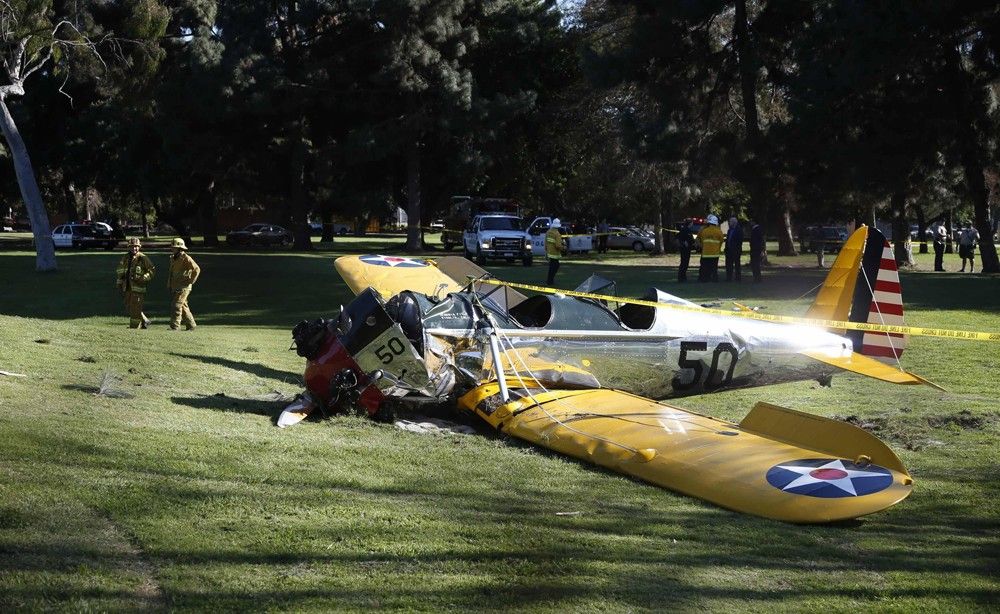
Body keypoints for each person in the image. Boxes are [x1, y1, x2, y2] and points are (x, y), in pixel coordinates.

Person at [115, 237, 155, 329]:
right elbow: (120, 270)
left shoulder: (142, 258)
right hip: (127, 287)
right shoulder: (125, 257)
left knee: (135, 308)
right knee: (129, 306)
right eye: (132, 247)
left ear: (139, 247)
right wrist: (119, 283)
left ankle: (134, 327)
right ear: (129, 247)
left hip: (138, 287)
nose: (134, 248)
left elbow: (152, 270)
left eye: (136, 247)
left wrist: (144, 278)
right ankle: (145, 321)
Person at [167, 238, 201, 330]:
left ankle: (175, 327)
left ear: (180, 248)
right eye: (172, 247)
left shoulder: (186, 258)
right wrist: (169, 285)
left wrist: (191, 281)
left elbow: (196, 269)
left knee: (176, 305)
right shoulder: (173, 258)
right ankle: (191, 325)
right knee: (183, 306)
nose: (172, 249)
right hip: (176, 286)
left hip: (183, 287)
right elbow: (171, 273)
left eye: (175, 247)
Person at [696, 214, 723, 282]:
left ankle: (704, 279)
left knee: (705, 268)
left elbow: (698, 239)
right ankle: (714, 280)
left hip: (705, 253)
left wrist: (702, 247)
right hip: (715, 254)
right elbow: (721, 241)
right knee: (714, 269)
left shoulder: (704, 231)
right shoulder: (719, 231)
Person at [545, 218, 564, 286]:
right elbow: (558, 245)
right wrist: (563, 248)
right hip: (555, 253)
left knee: (552, 267)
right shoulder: (557, 234)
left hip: (549, 252)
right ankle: (550, 281)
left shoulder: (548, 232)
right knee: (555, 266)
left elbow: (546, 242)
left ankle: (549, 281)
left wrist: (546, 252)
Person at [724, 216, 743, 282]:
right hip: (729, 251)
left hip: (736, 251)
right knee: (729, 265)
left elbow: (739, 241)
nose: (729, 223)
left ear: (734, 222)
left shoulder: (739, 230)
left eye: (730, 222)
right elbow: (727, 240)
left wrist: (735, 248)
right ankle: (729, 278)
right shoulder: (729, 230)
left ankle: (738, 278)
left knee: (737, 265)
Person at [749, 218, 764, 282]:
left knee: (755, 264)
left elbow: (757, 241)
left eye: (751, 221)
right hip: (756, 249)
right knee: (755, 264)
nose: (750, 223)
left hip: (755, 250)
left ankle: (757, 278)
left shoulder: (756, 229)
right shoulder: (756, 229)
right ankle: (757, 278)